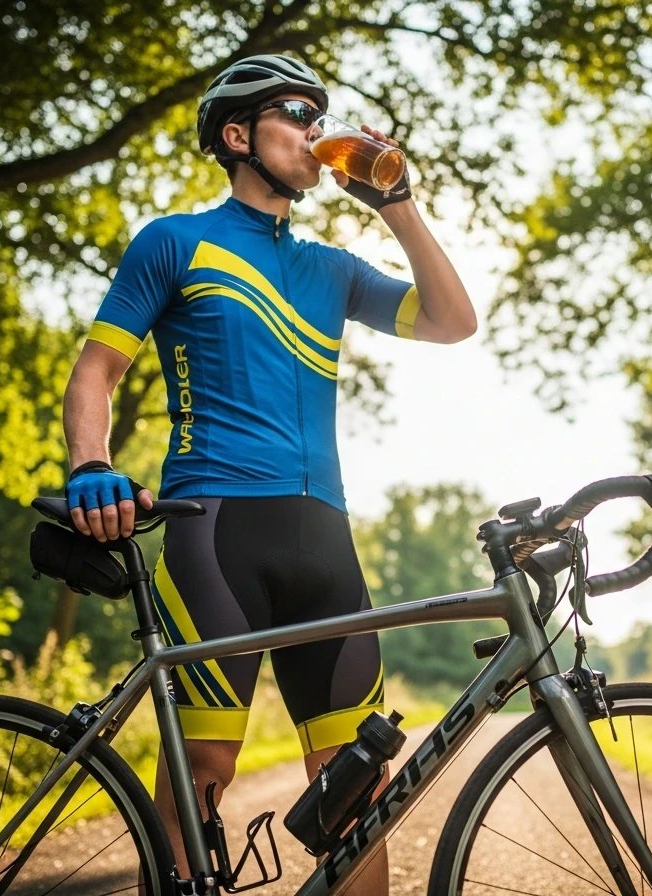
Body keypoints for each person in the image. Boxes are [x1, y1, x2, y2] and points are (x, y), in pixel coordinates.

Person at [61, 54, 476, 892]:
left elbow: (451, 322)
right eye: (297, 115)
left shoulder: (331, 267)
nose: (317, 135)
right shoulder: (175, 242)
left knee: (358, 791)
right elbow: (95, 373)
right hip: (217, 531)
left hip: (326, 537)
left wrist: (399, 209)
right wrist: (90, 467)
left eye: (322, 118)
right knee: (204, 766)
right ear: (238, 135)